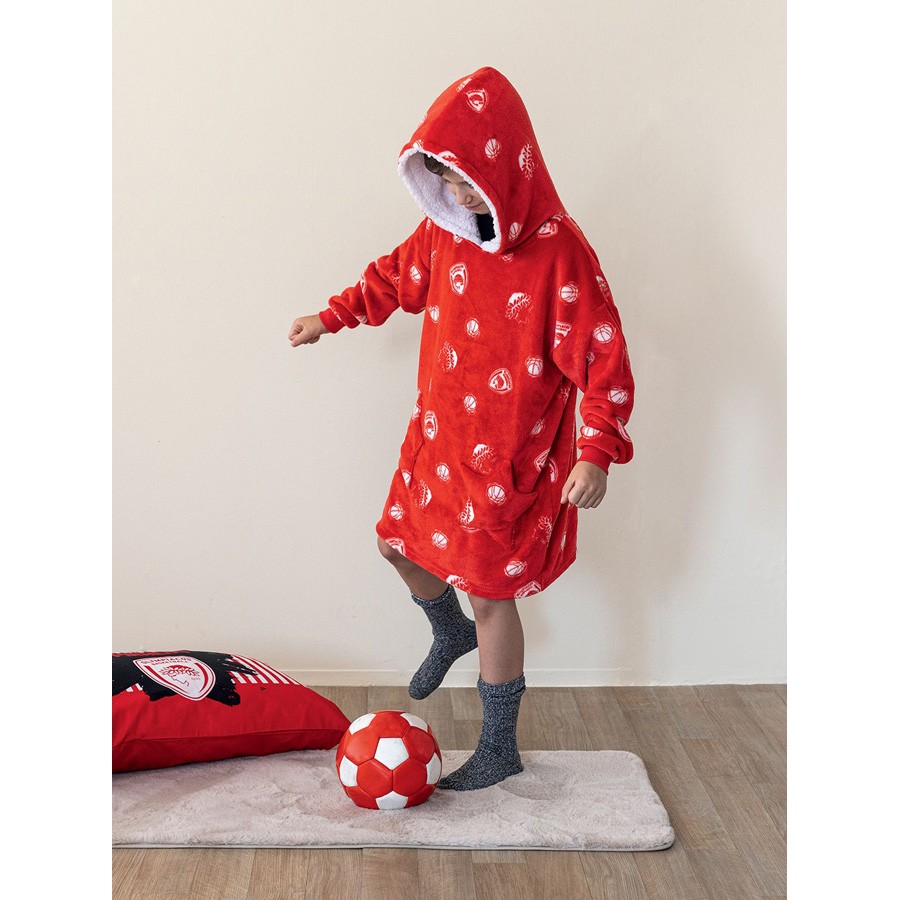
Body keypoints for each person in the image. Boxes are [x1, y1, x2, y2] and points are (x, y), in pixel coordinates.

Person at [288, 66, 635, 791]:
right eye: (447, 179)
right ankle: (447, 631)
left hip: (510, 459)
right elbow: (392, 278)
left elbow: (603, 359)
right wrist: (331, 316)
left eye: (473, 178)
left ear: (512, 164)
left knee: (490, 597)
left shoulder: (559, 254)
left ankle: (499, 745)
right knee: (394, 544)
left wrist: (596, 451)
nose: (462, 193)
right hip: (438, 442)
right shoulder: (443, 232)